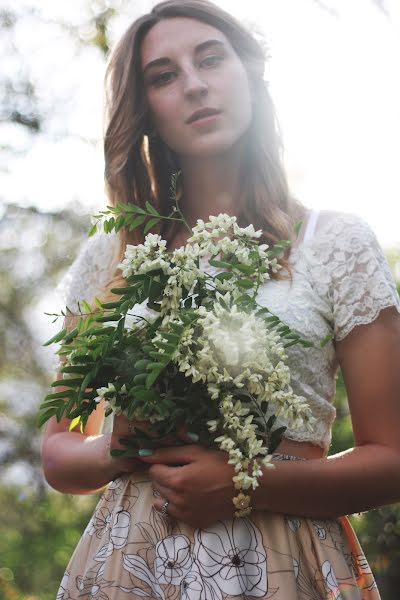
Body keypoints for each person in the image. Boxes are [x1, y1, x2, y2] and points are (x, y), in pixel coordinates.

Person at [42, 1, 400, 598]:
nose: (195, 85)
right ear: (147, 110)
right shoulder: (115, 254)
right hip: (131, 562)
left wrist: (247, 482)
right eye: (164, 75)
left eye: (211, 59)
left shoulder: (335, 243)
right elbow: (58, 451)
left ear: (251, 76)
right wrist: (118, 446)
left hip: (283, 560)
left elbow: (392, 457)